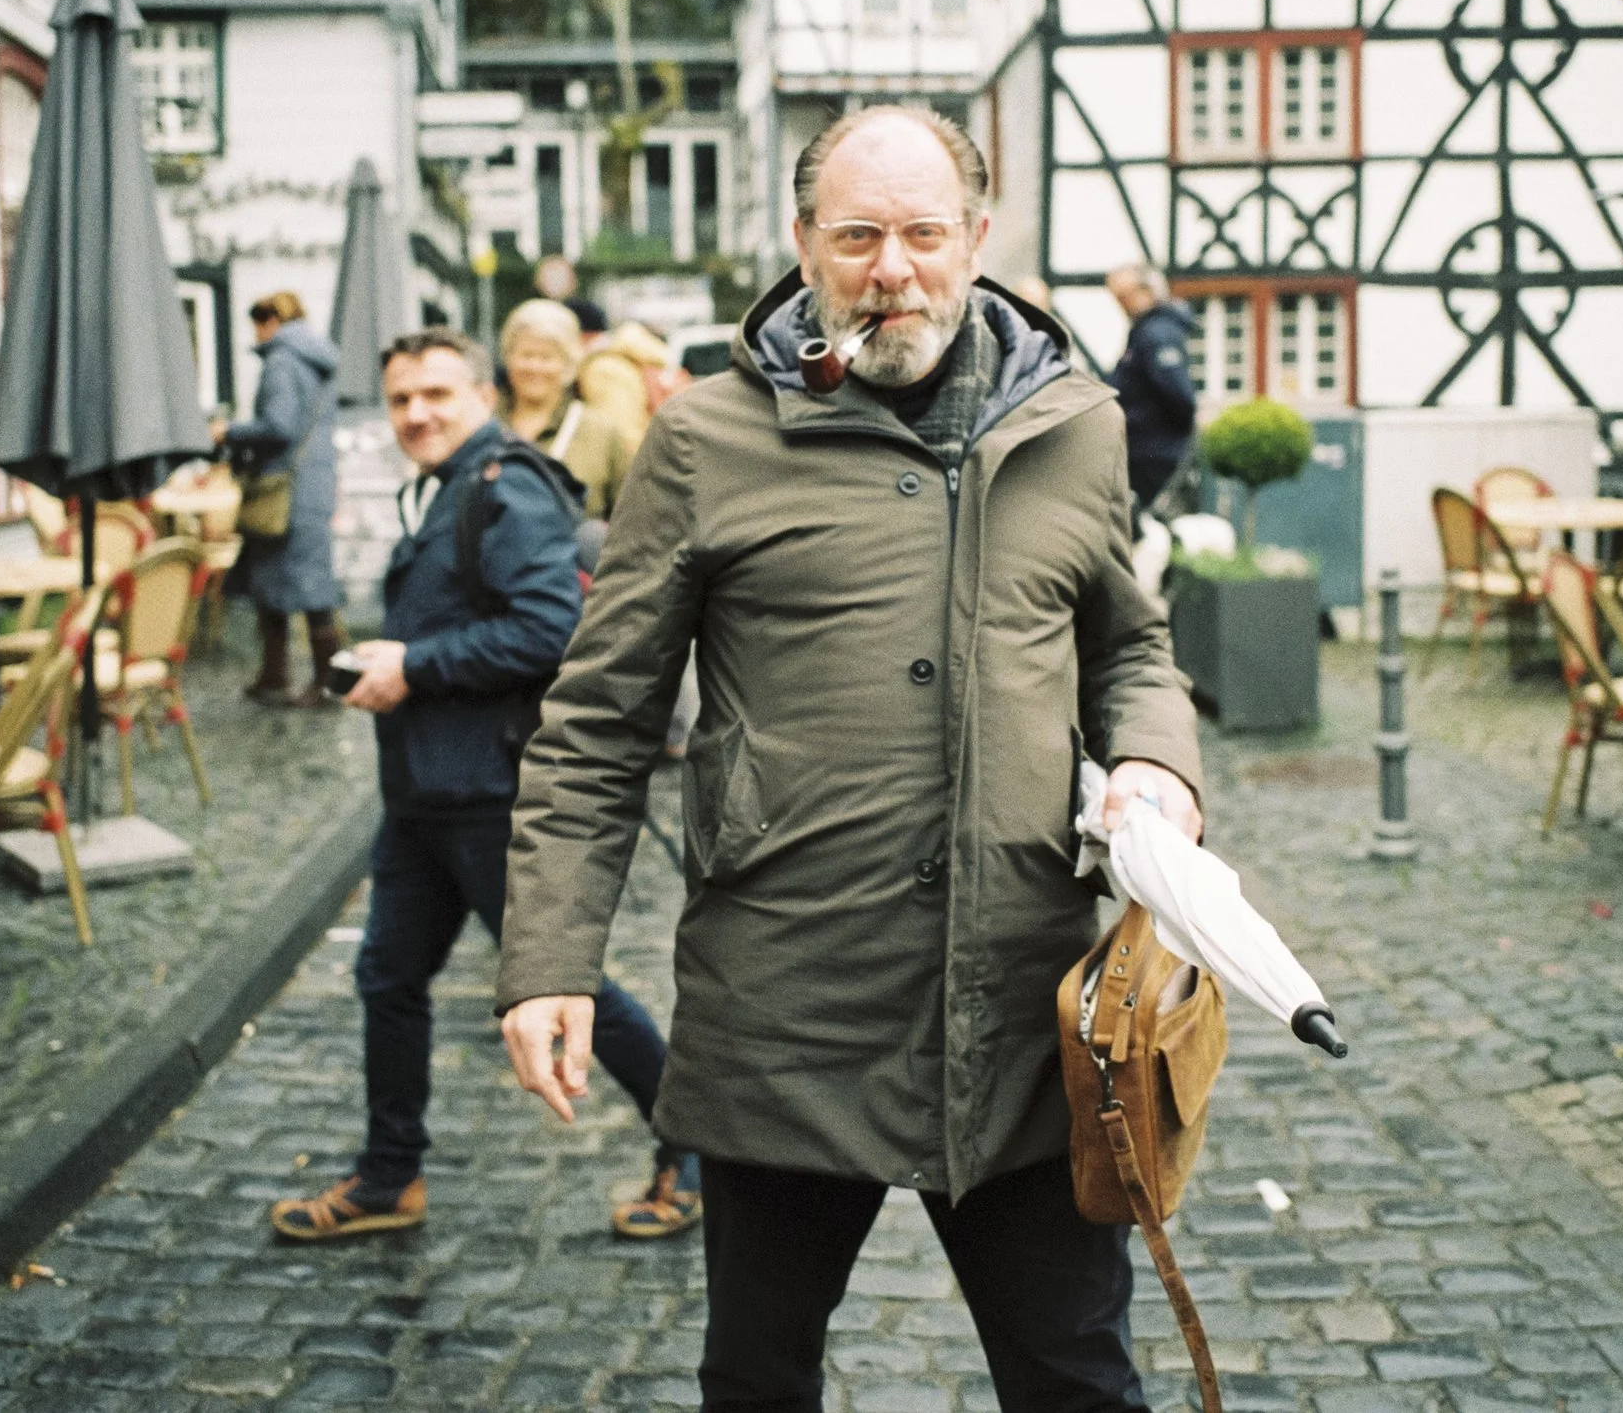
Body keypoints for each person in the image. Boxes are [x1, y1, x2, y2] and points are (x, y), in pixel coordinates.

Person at [495, 105, 1203, 1410]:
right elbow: (596, 723)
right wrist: (547, 958)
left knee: (1078, 1384)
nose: (893, 270)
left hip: (1025, 1019)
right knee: (757, 1382)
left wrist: (1155, 760)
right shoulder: (705, 440)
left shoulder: (1077, 426)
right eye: (859, 235)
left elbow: (1131, 650)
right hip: (784, 1017)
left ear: (975, 239)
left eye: (924, 234)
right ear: (805, 243)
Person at [269, 328, 700, 1244]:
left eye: (437, 394)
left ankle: (695, 1147)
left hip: (489, 797)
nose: (416, 413)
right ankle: (390, 1177)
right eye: (400, 399)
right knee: (388, 978)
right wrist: (396, 662)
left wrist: (413, 666)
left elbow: (551, 627)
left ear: (483, 395)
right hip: (423, 794)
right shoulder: (449, 485)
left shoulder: (508, 489)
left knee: (558, 984)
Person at [219, 291, 344, 706]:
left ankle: (323, 683)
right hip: (312, 485)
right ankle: (283, 675)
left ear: (270, 320)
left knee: (298, 587)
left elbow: (278, 425)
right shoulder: (316, 358)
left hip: (284, 490)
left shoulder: (282, 359)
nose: (255, 334)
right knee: (293, 582)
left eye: (256, 324)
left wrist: (228, 432)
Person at [499, 298, 633, 519]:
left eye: (546, 357)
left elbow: (630, 517)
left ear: (569, 363)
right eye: (526, 355)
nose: (534, 367)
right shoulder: (481, 424)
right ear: (508, 358)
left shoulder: (601, 433)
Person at [1104, 262, 1197, 508]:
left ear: (1145, 292)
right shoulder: (1144, 331)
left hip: (1155, 455)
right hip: (1146, 451)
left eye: (1123, 296)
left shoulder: (1156, 334)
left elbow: (1180, 398)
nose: (1121, 305)